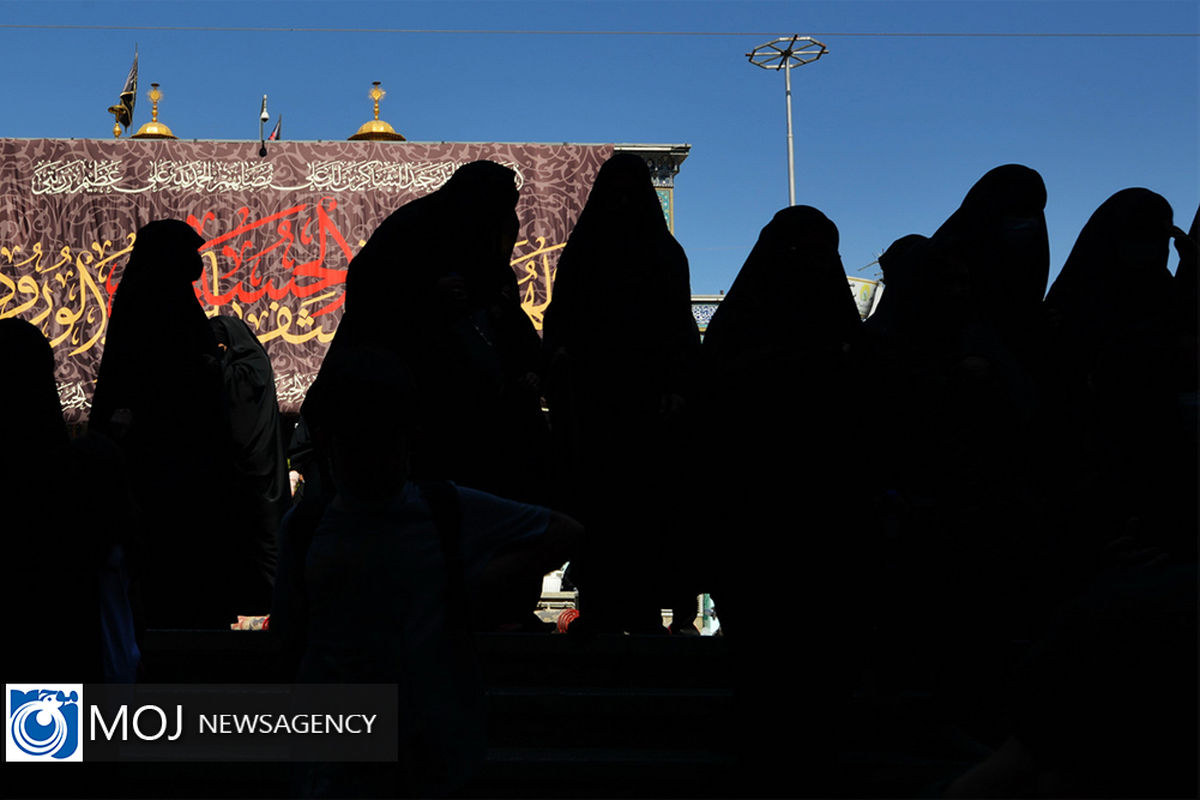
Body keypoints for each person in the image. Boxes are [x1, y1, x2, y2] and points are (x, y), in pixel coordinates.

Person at [279, 345, 579, 796]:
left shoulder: (441, 510)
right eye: (358, 439)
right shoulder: (308, 527)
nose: (370, 456)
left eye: (381, 438)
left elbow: (564, 534)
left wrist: (471, 586)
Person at [542, 152, 701, 634]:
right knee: (627, 507)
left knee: (618, 507)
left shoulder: (589, 250)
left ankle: (616, 608)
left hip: (615, 407)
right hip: (622, 407)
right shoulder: (661, 253)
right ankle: (625, 609)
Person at [89, 219, 237, 629]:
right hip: (163, 465)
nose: (198, 263)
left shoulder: (171, 301)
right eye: (190, 253)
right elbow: (150, 379)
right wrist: (201, 371)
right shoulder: (151, 303)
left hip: (185, 463)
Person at [210, 314, 288, 615]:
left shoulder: (251, 367)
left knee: (268, 545)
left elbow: (237, 407)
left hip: (262, 474)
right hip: (246, 478)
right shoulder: (244, 364)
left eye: (220, 346)